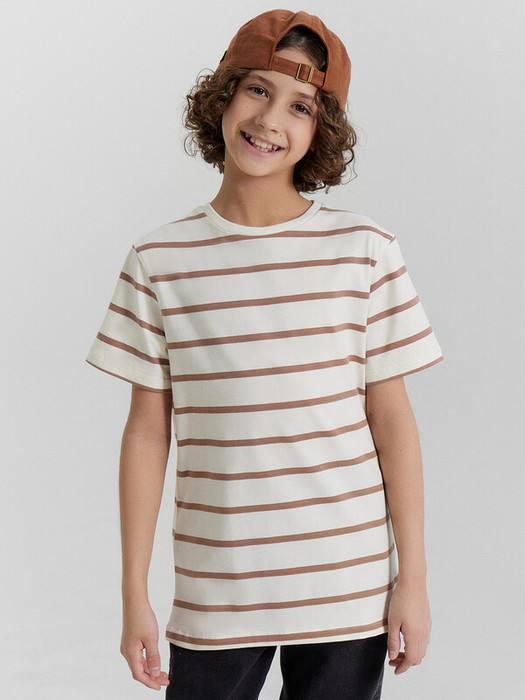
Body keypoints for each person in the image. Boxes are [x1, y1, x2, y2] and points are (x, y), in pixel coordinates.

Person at [86, 9, 444, 699]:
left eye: (300, 106)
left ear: (320, 130)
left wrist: (415, 580)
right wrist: (134, 594)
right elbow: (147, 432)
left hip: (347, 588)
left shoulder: (364, 250)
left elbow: (392, 420)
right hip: (217, 592)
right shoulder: (159, 260)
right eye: (257, 89)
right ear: (222, 97)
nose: (270, 119)